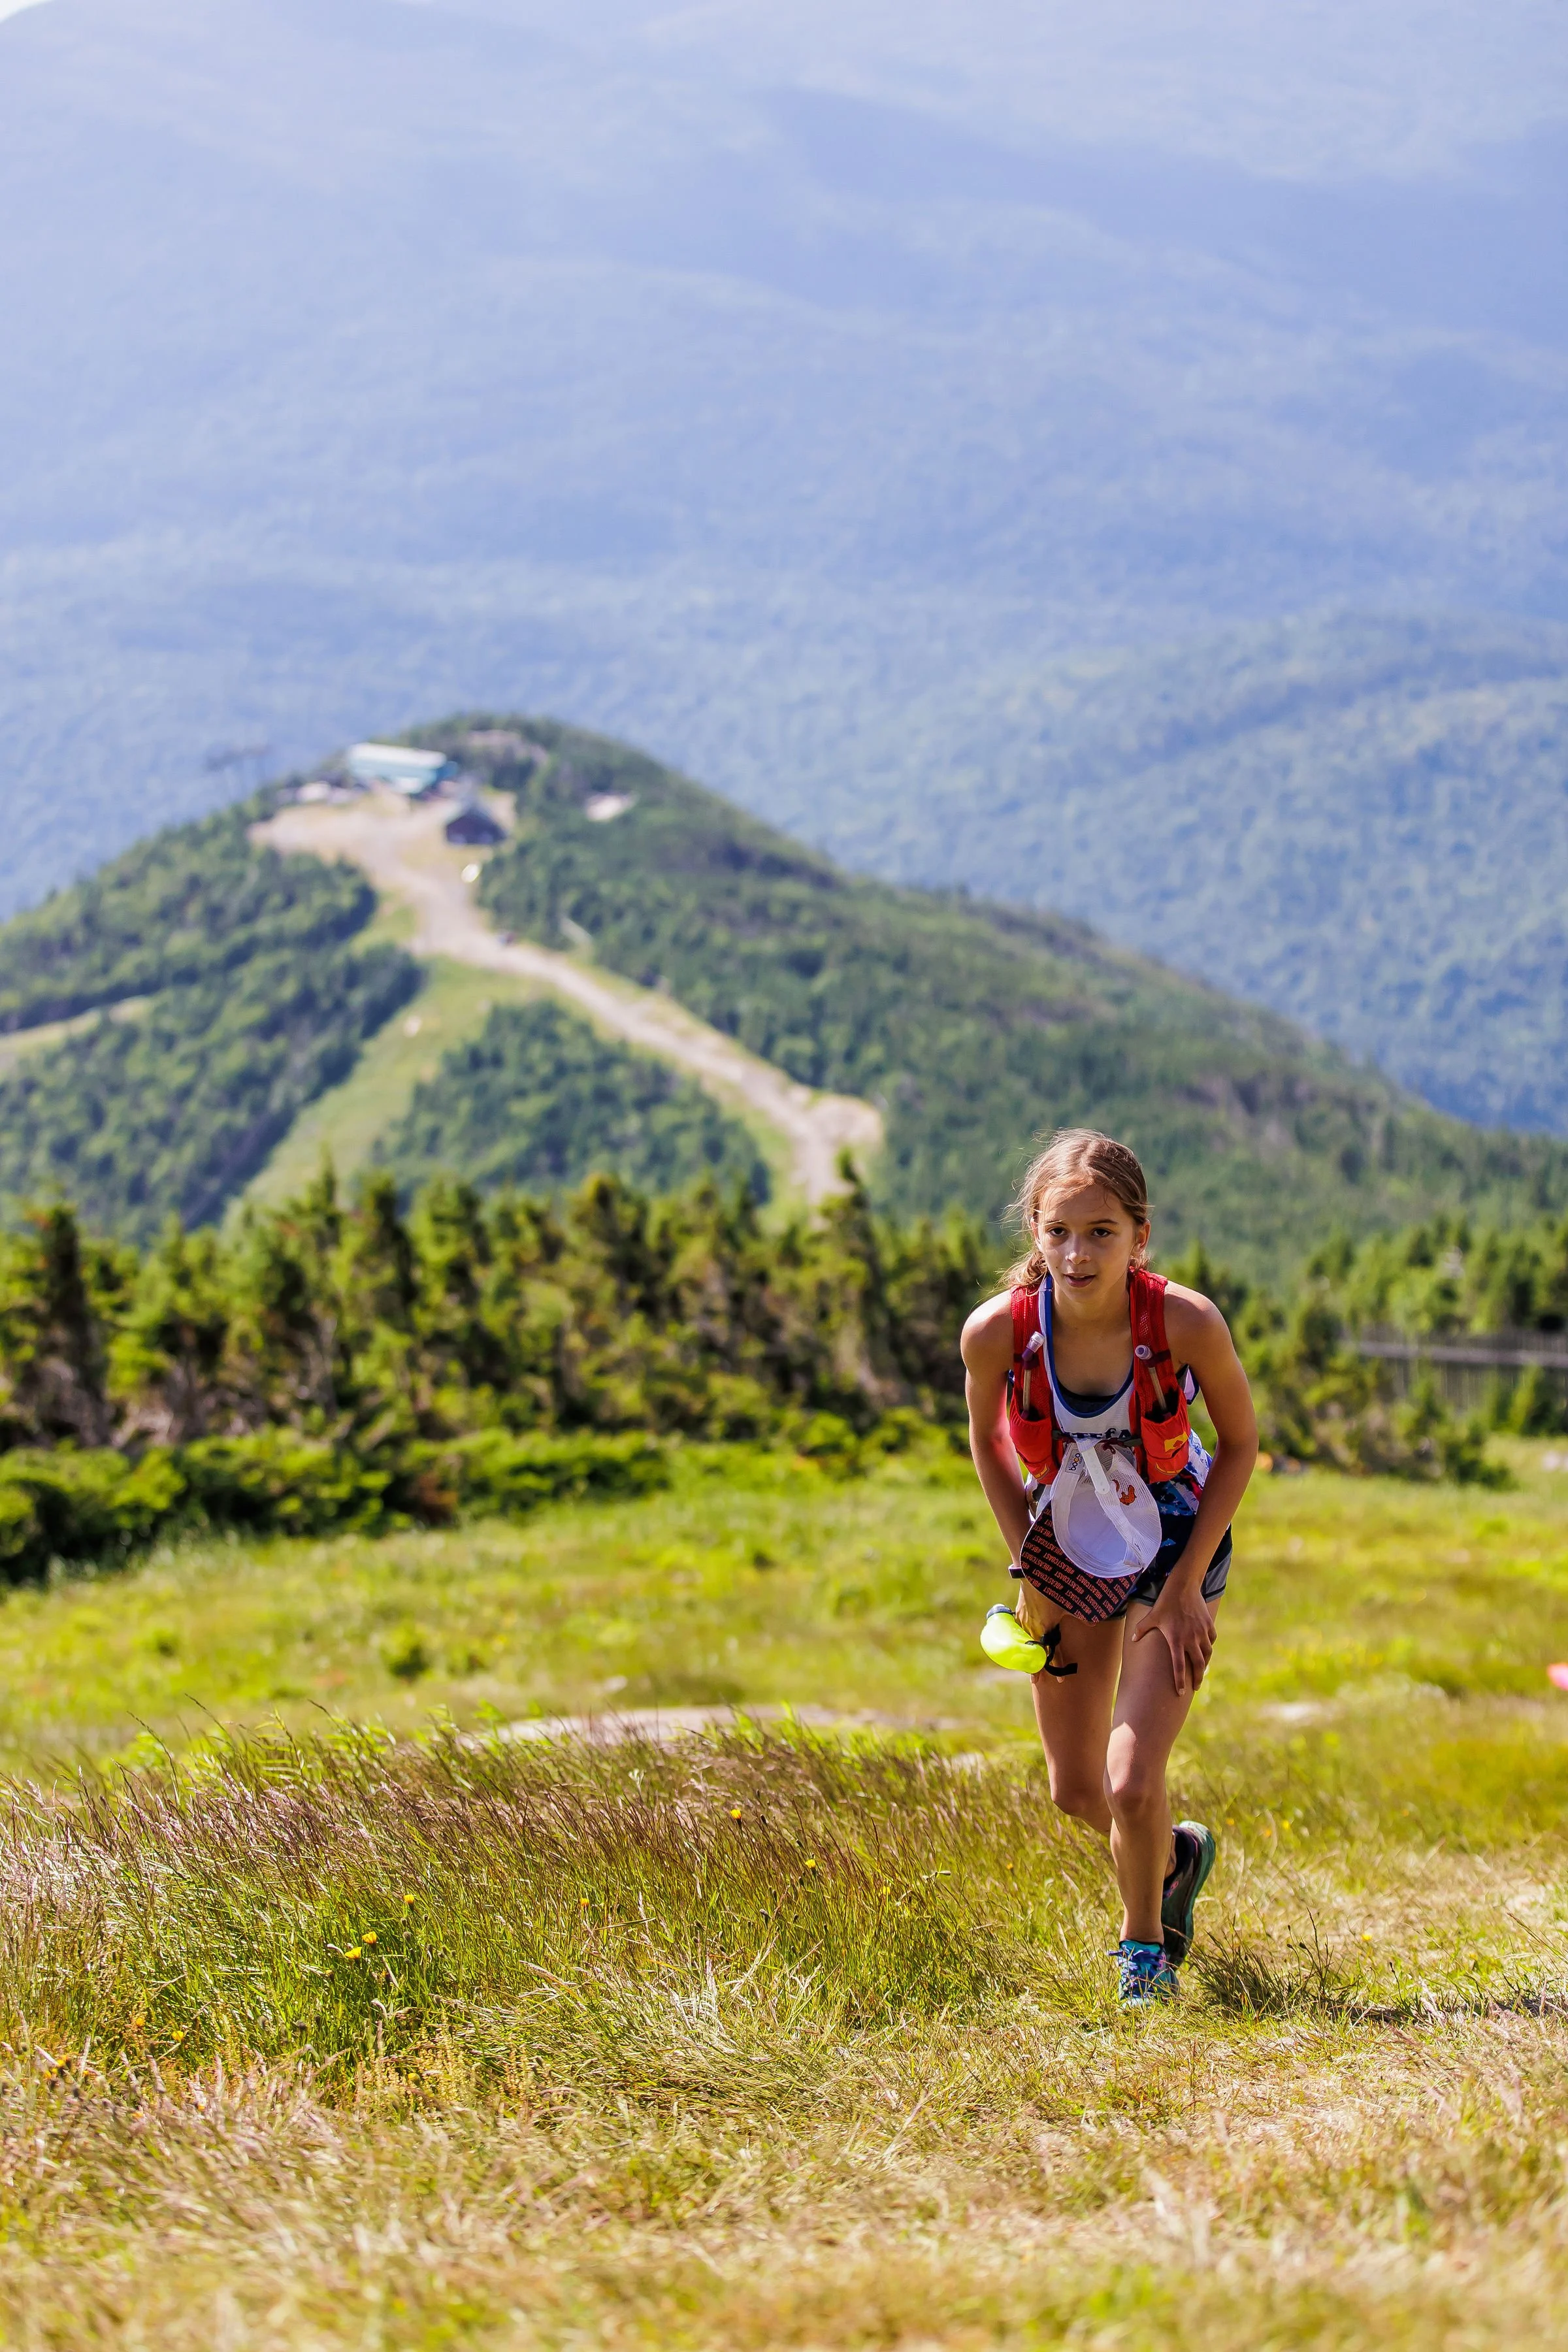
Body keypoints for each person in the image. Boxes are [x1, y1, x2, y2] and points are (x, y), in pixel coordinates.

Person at [960, 1128, 1258, 2006]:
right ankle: (1178, 1858)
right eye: (1059, 1232)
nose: (1078, 1253)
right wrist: (1030, 1573)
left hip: (1175, 1544)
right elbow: (986, 1443)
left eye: (1101, 1232)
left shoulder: (1184, 1323)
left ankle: (1143, 1959)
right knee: (1079, 1790)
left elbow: (1240, 1445)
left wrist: (1185, 1591)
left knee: (1133, 1782)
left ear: (1140, 1236)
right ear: (1035, 1231)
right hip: (1067, 1553)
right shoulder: (996, 1336)